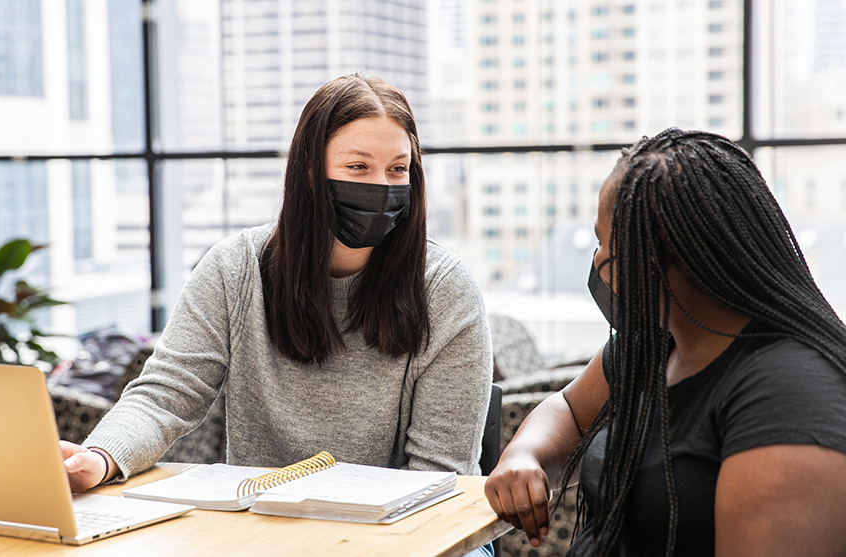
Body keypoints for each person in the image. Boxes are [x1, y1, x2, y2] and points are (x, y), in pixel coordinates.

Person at [61, 75, 492, 499]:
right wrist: (99, 458)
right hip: (267, 522)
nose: (381, 187)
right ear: (308, 170)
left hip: (414, 526)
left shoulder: (446, 289)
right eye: (358, 167)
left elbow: (440, 474)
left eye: (398, 170)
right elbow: (165, 395)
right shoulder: (235, 268)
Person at [484, 128, 846, 556]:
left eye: (607, 247)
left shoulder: (788, 394)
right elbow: (568, 409)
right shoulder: (658, 343)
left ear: (670, 258)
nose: (597, 262)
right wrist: (524, 455)